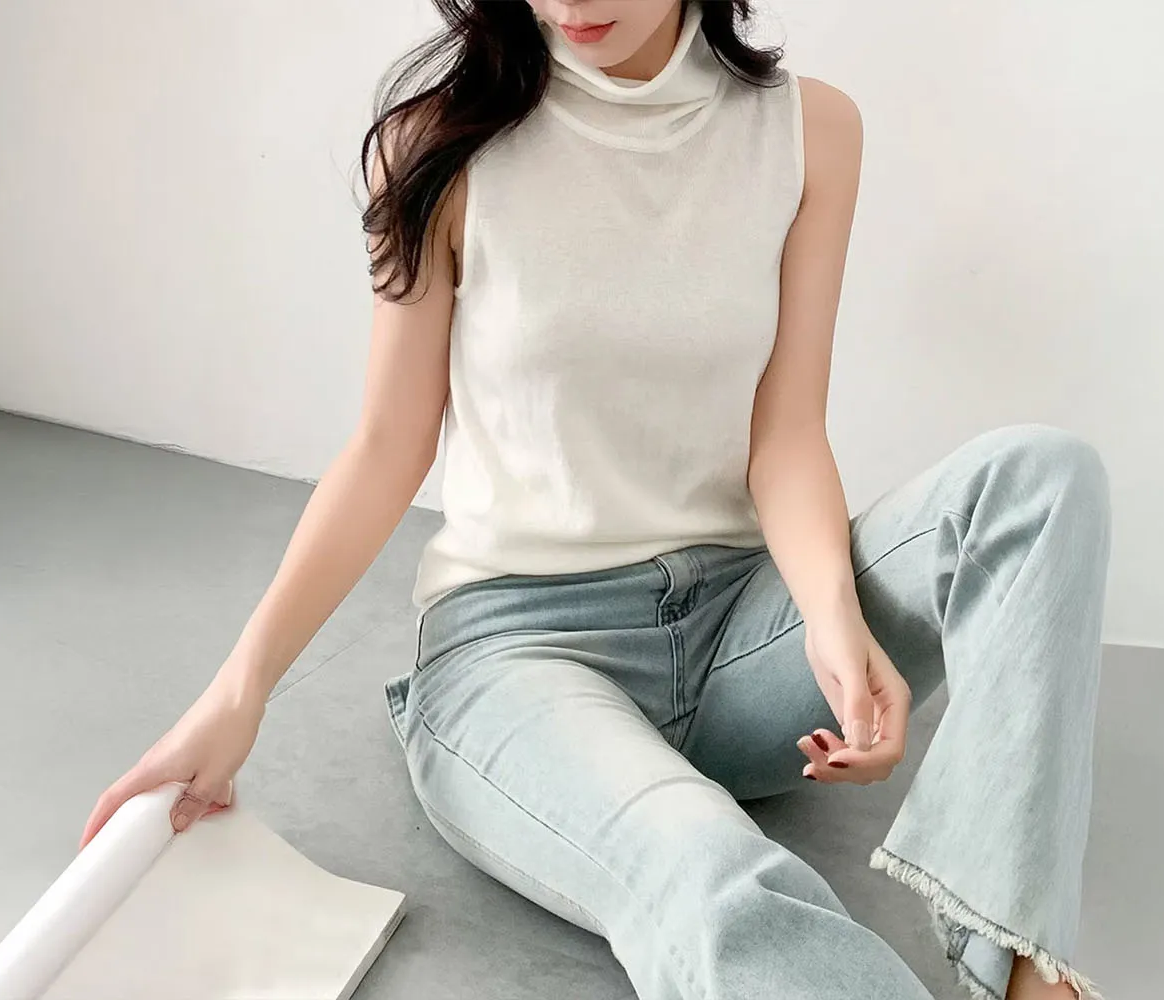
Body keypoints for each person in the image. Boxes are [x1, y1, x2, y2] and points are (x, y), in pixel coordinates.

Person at [81, 2, 1111, 997]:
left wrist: (833, 619)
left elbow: (787, 431)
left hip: (740, 631)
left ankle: (1028, 970)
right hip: (518, 653)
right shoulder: (438, 148)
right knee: (709, 877)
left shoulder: (812, 134)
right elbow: (388, 447)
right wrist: (242, 688)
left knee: (1039, 479)